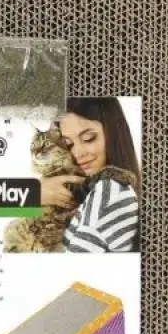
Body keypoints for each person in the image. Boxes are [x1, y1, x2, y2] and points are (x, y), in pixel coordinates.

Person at [41, 98, 141, 253]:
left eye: (88, 138)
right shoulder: (94, 192)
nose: (78, 153)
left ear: (113, 132)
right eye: (68, 144)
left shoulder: (109, 191)